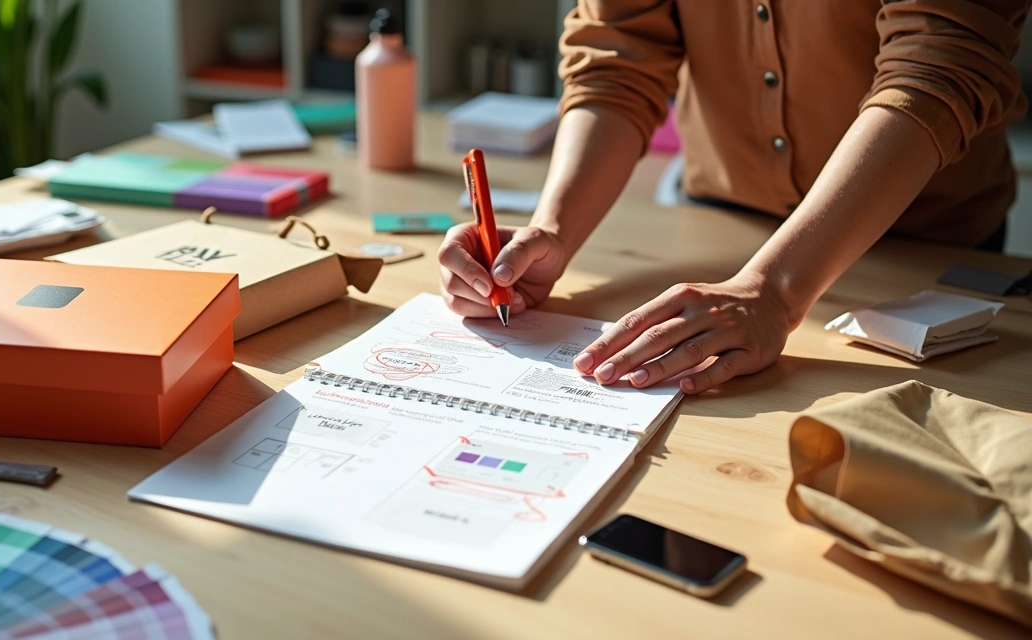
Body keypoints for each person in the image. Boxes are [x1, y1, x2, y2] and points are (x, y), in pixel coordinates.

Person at [438, 0, 1028, 394]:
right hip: (722, 230)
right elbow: (618, 62)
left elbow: (936, 68)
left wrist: (774, 290)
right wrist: (554, 229)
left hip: (921, 243)